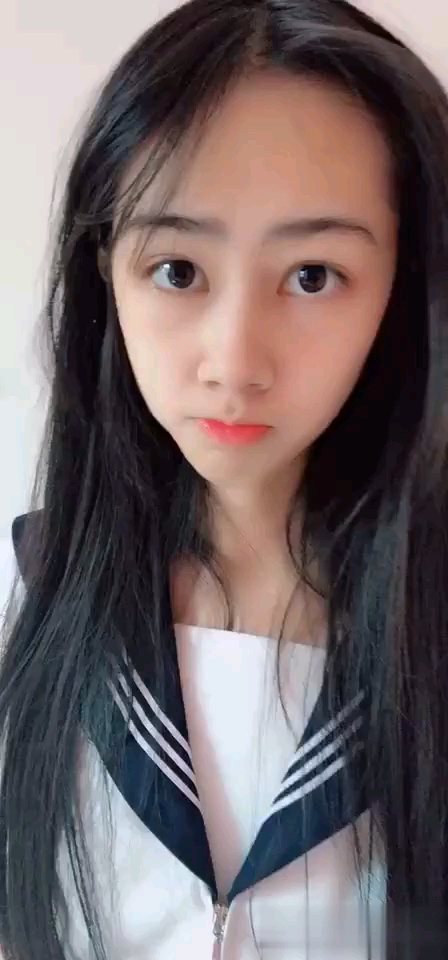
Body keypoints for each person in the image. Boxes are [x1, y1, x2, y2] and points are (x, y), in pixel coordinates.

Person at [1, 0, 448, 957]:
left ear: (403, 289)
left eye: (313, 275)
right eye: (177, 270)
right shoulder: (30, 595)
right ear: (106, 273)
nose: (235, 362)